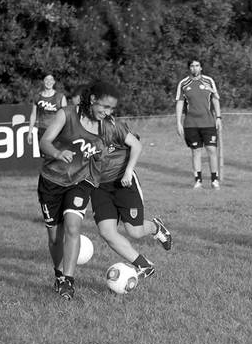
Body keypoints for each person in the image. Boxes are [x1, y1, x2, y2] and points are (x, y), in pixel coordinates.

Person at [38, 82, 119, 300]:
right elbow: (44, 142)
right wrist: (57, 153)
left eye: (112, 109)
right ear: (92, 100)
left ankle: (68, 281)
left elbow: (104, 154)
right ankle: (58, 274)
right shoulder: (66, 114)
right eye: (105, 107)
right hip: (51, 181)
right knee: (55, 238)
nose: (108, 112)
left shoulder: (107, 126)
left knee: (73, 226)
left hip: (81, 181)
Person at [91, 115, 173, 279]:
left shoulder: (111, 125)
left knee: (134, 231)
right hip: (99, 187)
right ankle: (144, 265)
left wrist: (128, 171)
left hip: (123, 182)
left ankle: (156, 228)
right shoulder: (77, 131)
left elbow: (136, 145)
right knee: (107, 232)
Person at [175, 60, 222, 189]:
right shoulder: (183, 84)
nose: (194, 68)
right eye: (192, 66)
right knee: (196, 152)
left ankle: (214, 180)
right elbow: (179, 103)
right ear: (189, 68)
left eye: (197, 66)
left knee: (212, 150)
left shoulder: (208, 81)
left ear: (201, 68)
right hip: (191, 124)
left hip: (208, 122)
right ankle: (198, 180)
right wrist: (178, 123)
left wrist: (218, 117)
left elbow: (215, 98)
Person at [28, 75, 68, 147]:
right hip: (42, 130)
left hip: (57, 131)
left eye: (51, 80)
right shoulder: (37, 97)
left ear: (54, 82)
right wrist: (29, 132)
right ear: (43, 82)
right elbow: (33, 115)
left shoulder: (60, 97)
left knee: (57, 155)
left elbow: (66, 116)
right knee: (45, 155)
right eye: (46, 80)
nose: (49, 82)